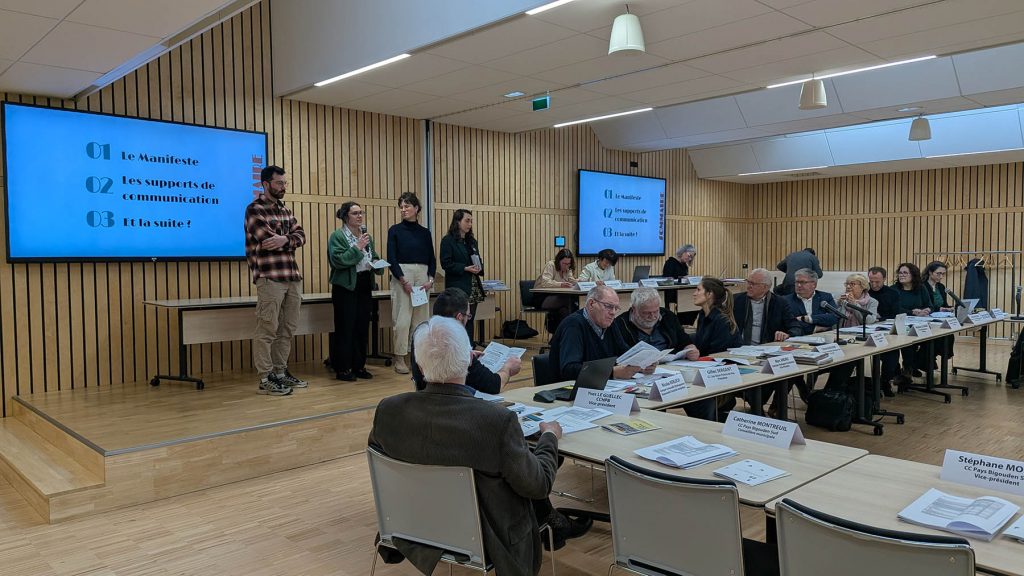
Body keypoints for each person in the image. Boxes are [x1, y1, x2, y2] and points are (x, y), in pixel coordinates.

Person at [368, 316, 588, 575]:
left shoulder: (389, 410)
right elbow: (537, 485)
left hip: (413, 525)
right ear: (469, 361)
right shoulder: (495, 421)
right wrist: (550, 438)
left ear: (418, 362)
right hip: (486, 537)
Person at [244, 165, 307, 396]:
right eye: (279, 183)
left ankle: (280, 372)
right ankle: (265, 377)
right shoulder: (254, 210)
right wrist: (287, 239)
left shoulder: (286, 210)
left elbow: (302, 236)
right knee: (267, 328)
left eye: (285, 183)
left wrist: (285, 239)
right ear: (266, 184)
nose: (283, 187)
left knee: (287, 328)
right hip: (269, 277)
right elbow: (267, 239)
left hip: (292, 276)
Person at [610, 287, 718, 420]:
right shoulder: (619, 325)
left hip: (670, 371)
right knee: (655, 406)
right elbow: (618, 357)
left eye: (655, 311)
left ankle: (704, 432)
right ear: (634, 309)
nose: (653, 316)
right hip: (639, 379)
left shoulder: (667, 316)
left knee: (702, 397)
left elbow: (683, 339)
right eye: (646, 313)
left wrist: (691, 348)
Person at [411, 288, 521, 394]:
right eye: (468, 315)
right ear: (459, 317)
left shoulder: (422, 333)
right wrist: (508, 368)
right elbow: (494, 385)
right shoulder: (458, 342)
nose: (468, 319)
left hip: (424, 397)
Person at [328, 201, 382, 381]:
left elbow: (371, 256)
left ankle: (359, 366)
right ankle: (343, 368)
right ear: (345, 216)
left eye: (361, 212)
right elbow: (339, 261)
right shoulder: (337, 236)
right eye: (355, 213)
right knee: (345, 327)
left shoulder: (366, 236)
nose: (360, 216)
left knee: (361, 326)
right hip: (346, 286)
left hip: (364, 283)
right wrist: (357, 248)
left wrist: (378, 263)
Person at [734, 268, 801, 412]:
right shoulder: (736, 300)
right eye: (748, 282)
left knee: (792, 370)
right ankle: (756, 406)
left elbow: (795, 326)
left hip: (766, 353)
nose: (749, 286)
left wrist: (786, 334)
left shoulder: (780, 303)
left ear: (765, 287)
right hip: (739, 352)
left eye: (753, 283)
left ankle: (775, 408)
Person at [386, 192, 436, 375]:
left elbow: (431, 258)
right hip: (403, 273)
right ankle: (399, 357)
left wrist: (431, 280)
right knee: (402, 319)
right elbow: (391, 257)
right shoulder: (395, 230)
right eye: (401, 206)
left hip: (423, 274)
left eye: (407, 206)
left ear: (416, 209)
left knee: (421, 319)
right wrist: (401, 279)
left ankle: (418, 357)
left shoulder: (425, 233)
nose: (403, 209)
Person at [549, 286, 640, 382]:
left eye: (616, 308)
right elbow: (569, 370)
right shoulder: (573, 325)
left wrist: (641, 363)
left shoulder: (609, 323)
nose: (613, 312)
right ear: (591, 304)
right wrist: (612, 372)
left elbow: (624, 352)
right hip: (568, 390)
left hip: (601, 386)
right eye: (608, 306)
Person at [439, 209, 484, 344]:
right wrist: (464, 268)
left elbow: (476, 259)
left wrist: (479, 267)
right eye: (467, 220)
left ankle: (469, 349)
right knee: (458, 321)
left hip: (473, 285)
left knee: (469, 319)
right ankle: (457, 350)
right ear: (457, 222)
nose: (469, 224)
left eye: (471, 221)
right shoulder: (448, 241)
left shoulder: (471, 241)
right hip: (458, 286)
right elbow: (445, 263)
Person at [868, 266, 902, 397]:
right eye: (871, 281)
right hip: (867, 329)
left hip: (886, 329)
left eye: (877, 281)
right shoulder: (866, 293)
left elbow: (895, 314)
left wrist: (880, 318)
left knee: (892, 355)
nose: (874, 284)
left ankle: (885, 381)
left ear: (884, 279)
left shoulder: (893, 293)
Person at [782, 269, 839, 335]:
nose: (799, 285)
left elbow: (834, 317)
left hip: (824, 337)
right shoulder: (785, 300)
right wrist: (815, 328)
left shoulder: (825, 297)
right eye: (797, 282)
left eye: (803, 282)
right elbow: (789, 323)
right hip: (799, 338)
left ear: (814, 284)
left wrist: (807, 318)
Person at [535, 248, 578, 334]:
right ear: (558, 261)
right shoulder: (551, 265)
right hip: (542, 297)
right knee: (571, 303)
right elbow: (545, 282)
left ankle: (559, 338)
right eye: (564, 263)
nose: (566, 266)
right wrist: (561, 284)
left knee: (565, 311)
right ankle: (565, 336)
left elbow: (570, 279)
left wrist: (579, 282)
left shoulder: (568, 268)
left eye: (568, 264)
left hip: (559, 298)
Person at [662, 243, 696, 317]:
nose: (689, 259)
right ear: (683, 252)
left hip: (681, 292)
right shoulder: (670, 263)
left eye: (691, 258)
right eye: (689, 256)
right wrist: (681, 279)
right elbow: (667, 280)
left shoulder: (684, 265)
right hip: (671, 293)